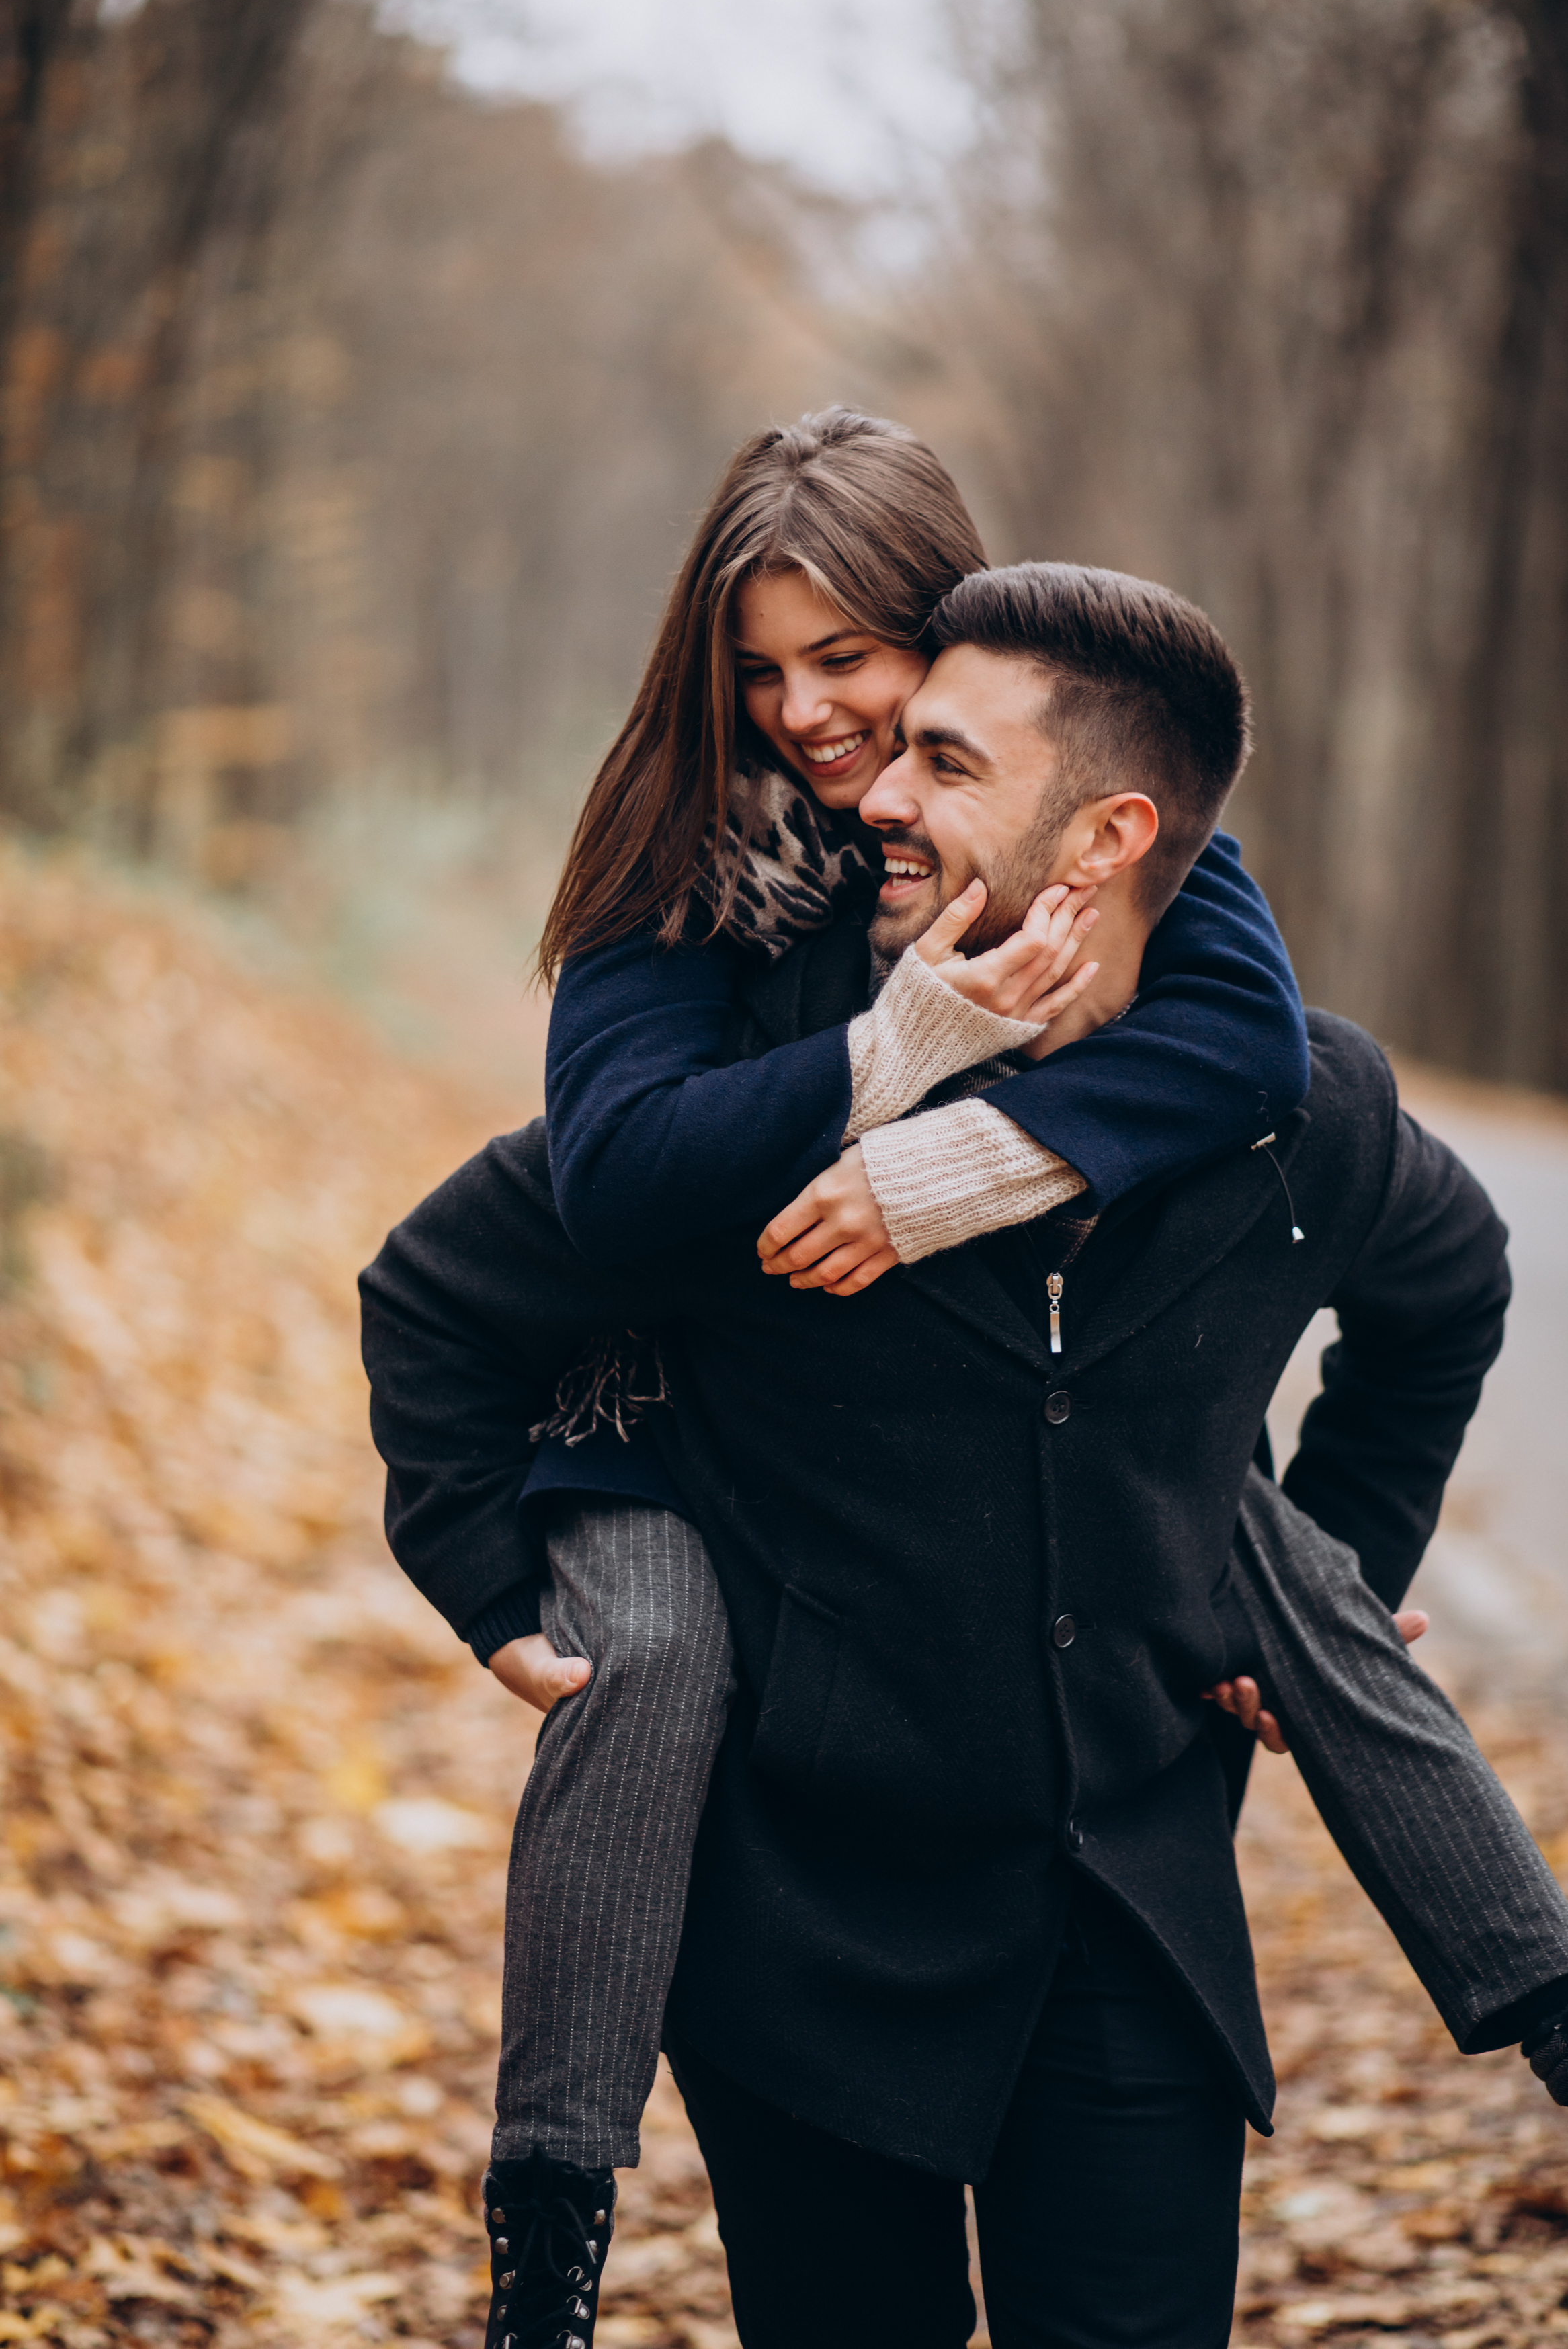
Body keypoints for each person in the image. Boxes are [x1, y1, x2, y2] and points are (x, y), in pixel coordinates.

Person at [362, 557, 1568, 2349]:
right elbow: (440, 1291)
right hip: (808, 1931)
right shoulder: (767, 1111)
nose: (873, 794)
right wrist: (492, 1582)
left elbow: (1451, 1289)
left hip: (1134, 1917)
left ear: (1109, 838)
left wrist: (1339, 1551)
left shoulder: (1292, 1116)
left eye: (944, 760)